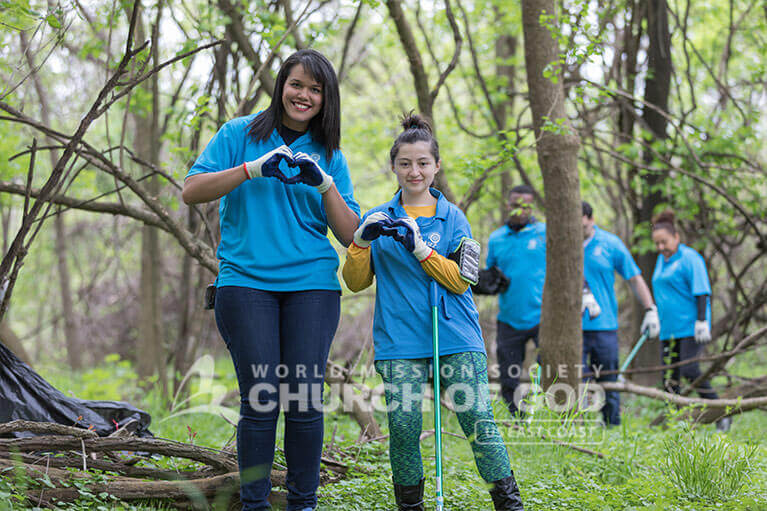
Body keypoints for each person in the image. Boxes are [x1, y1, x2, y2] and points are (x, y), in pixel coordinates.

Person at [182, 49, 360, 511]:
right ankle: (255, 505)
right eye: (297, 84)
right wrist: (250, 169)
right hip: (245, 284)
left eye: (315, 90)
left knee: (303, 400)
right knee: (260, 400)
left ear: (326, 99)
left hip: (312, 287)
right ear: (281, 84)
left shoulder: (330, 154)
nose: (304, 95)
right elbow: (191, 190)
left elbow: (349, 234)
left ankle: (303, 504)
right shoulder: (239, 134)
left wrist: (324, 184)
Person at [342, 114, 524, 510]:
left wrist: (420, 247)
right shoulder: (379, 216)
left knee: (478, 419)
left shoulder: (454, 217)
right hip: (399, 338)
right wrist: (358, 242)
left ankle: (509, 504)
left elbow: (462, 280)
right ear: (394, 166)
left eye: (423, 162)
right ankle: (411, 506)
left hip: (454, 334)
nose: (414, 171)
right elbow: (355, 282)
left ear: (436, 166)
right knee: (405, 427)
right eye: (405, 163)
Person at [651, 210, 731, 432]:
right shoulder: (661, 261)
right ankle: (674, 421)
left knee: (690, 369)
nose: (660, 248)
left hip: (690, 327)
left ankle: (720, 412)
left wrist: (701, 321)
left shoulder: (690, 258)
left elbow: (702, 292)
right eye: (657, 244)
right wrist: (654, 315)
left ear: (676, 237)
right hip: (668, 329)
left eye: (664, 242)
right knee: (669, 376)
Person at [581, 201, 659, 426]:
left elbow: (634, 277)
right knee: (576, 379)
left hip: (604, 325)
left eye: (583, 226)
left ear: (591, 220)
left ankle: (611, 426)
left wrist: (650, 309)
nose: (580, 231)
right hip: (571, 328)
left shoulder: (610, 243)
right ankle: (578, 428)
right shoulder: (561, 243)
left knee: (609, 381)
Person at [478, 186, 546, 418]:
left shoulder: (544, 233)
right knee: (508, 374)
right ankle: (515, 418)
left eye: (526, 205)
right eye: (516, 204)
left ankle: (546, 413)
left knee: (549, 368)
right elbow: (491, 271)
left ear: (532, 207)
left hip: (542, 316)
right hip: (508, 316)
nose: (520, 210)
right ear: (508, 206)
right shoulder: (497, 238)